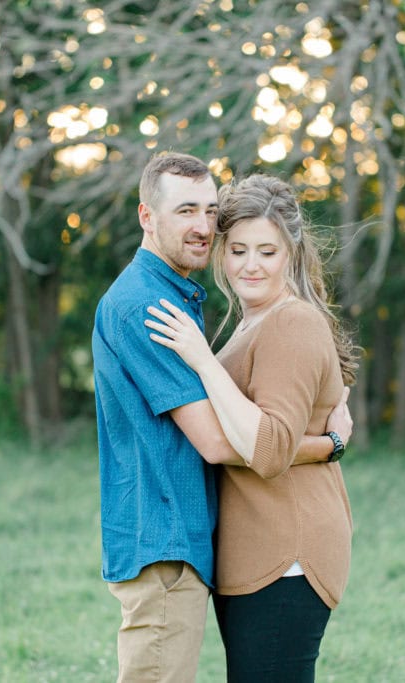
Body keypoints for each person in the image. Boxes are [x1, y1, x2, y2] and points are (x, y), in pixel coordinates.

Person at [93, 154, 351, 682]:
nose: (202, 227)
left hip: (277, 552)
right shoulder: (156, 306)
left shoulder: (261, 318)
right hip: (178, 540)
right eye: (237, 249)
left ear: (290, 254)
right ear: (147, 215)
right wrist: (326, 444)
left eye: (210, 212)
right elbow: (217, 441)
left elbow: (260, 440)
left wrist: (324, 443)